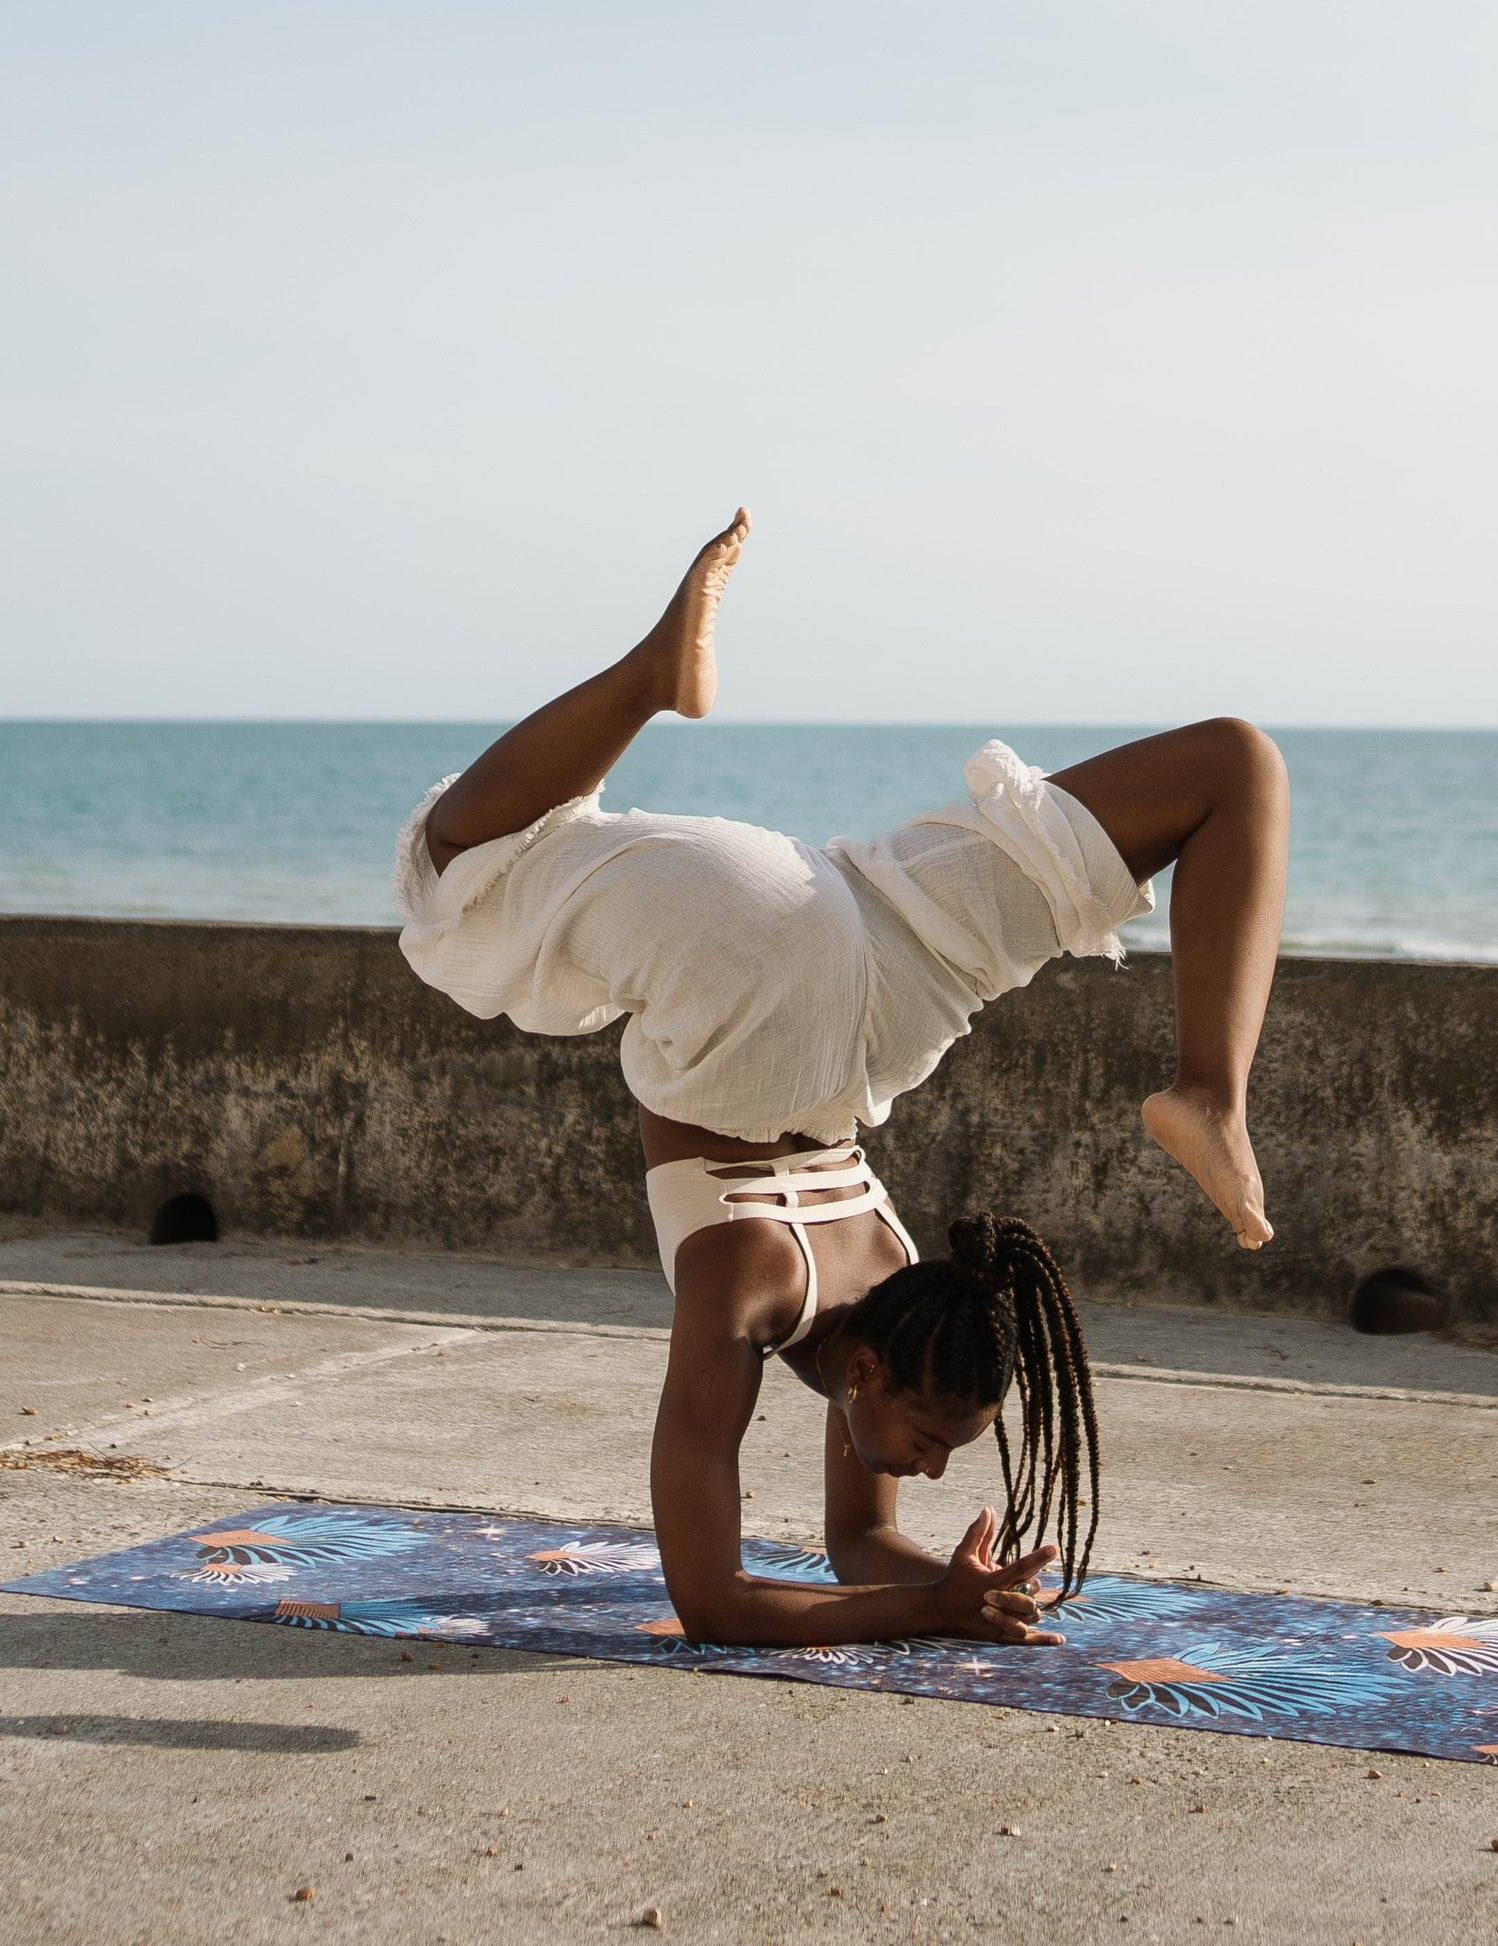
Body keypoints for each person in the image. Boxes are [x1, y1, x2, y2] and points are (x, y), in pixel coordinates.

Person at [392, 510, 1289, 1648]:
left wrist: (951, 1593)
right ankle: (1207, 1088)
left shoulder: (899, 1286)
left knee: (1229, 764)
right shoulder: (747, 1284)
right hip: (761, 980)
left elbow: (855, 1550)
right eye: (929, 1438)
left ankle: (1211, 1086)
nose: (924, 1464)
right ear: (866, 1368)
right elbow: (711, 1601)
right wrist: (924, 1607)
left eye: (934, 1446)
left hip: (890, 955)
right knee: (447, 870)